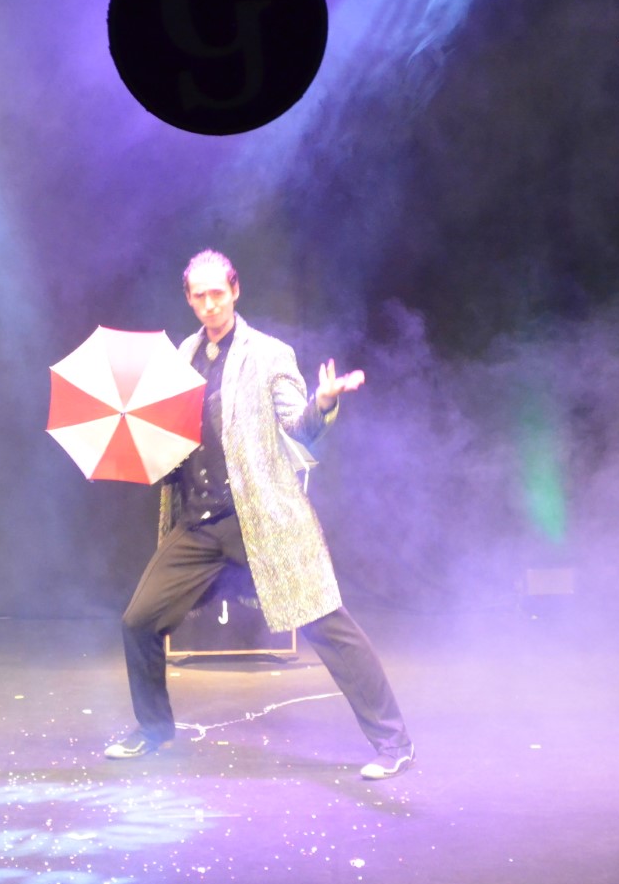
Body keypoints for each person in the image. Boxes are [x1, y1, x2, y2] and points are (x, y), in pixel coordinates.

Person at [104, 250, 414, 780]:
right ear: (188, 299)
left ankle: (394, 742)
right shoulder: (180, 357)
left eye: (217, 293)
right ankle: (154, 729)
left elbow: (299, 425)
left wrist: (323, 402)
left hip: (261, 523)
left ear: (235, 291)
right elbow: (172, 433)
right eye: (199, 296)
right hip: (200, 524)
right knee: (139, 620)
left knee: (327, 624)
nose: (209, 305)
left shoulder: (269, 354)